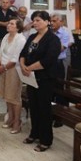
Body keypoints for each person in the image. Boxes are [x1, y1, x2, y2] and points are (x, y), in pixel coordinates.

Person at [20, 11, 61, 152]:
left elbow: (48, 60)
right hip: (31, 78)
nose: (35, 23)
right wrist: (23, 65)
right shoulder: (32, 36)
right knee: (34, 106)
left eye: (38, 20)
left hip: (45, 78)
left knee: (44, 108)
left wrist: (29, 68)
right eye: (33, 20)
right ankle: (34, 133)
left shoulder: (53, 39)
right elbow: (23, 53)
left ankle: (46, 139)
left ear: (47, 22)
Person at [0, 18, 26, 134]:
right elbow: (0, 53)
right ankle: (11, 118)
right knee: (7, 96)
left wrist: (3, 68)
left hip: (14, 70)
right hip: (3, 67)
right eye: (8, 23)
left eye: (11, 24)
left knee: (14, 97)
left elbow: (15, 58)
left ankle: (17, 121)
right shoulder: (6, 36)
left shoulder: (21, 39)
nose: (8, 25)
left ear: (18, 27)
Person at [50, 13, 74, 128]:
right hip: (49, 63)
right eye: (51, 21)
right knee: (50, 89)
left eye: (54, 21)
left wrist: (46, 49)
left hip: (59, 62)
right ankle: (51, 113)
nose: (52, 23)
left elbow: (60, 48)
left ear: (61, 22)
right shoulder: (49, 32)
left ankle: (60, 117)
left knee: (59, 88)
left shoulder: (65, 33)